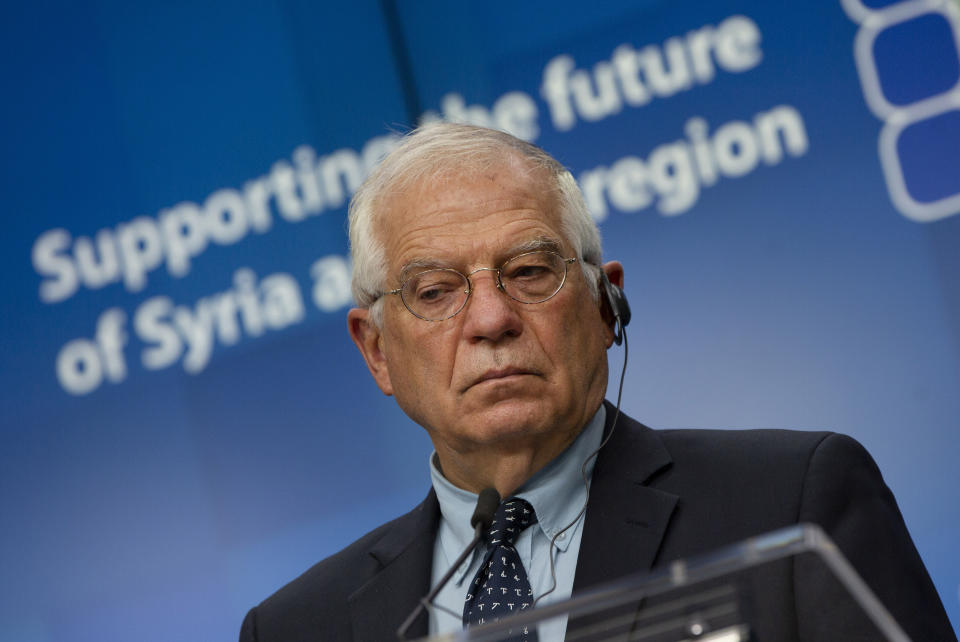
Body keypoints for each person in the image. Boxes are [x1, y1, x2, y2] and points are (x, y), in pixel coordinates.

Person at [239, 123, 955, 641]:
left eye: (528, 272)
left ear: (605, 305)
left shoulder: (793, 499)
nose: (490, 319)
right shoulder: (298, 627)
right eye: (434, 291)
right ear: (377, 352)